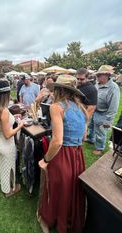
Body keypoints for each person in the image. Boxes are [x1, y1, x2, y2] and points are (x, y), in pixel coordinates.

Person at [37, 74, 87, 233]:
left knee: (56, 187)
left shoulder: (56, 107)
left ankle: (50, 219)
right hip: (77, 155)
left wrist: (45, 159)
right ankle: (69, 221)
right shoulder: (81, 108)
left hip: (63, 154)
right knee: (71, 189)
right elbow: (84, 137)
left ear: (59, 89)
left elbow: (57, 141)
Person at [0, 80, 24, 197]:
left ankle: (6, 185)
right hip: (7, 144)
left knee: (3, 164)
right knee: (8, 167)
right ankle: (9, 190)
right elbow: (8, 134)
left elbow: (2, 124)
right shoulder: (3, 110)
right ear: (6, 94)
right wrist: (20, 125)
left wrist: (13, 117)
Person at [87, 65, 120, 155]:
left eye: (98, 75)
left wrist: (108, 121)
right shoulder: (97, 84)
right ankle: (91, 139)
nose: (96, 77)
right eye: (97, 75)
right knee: (91, 126)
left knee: (100, 131)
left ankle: (99, 148)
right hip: (94, 110)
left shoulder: (113, 88)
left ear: (106, 75)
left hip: (103, 113)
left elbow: (113, 107)